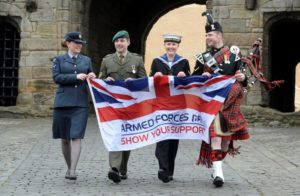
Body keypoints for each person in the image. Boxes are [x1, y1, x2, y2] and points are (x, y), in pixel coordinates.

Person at [192, 12, 250, 187]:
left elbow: (243, 77)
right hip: (212, 103)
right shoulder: (203, 57)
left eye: (209, 35)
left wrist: (242, 78)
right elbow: (193, 79)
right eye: (206, 35)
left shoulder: (234, 53)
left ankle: (217, 166)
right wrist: (201, 75)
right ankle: (218, 174)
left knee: (225, 141)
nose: (207, 38)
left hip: (229, 103)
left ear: (219, 35)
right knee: (216, 137)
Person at [99, 30, 147, 183]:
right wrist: (105, 79)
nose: (120, 44)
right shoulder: (107, 60)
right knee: (114, 135)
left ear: (128, 42)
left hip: (130, 106)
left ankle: (122, 169)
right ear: (114, 44)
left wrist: (133, 83)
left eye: (122, 41)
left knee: (126, 137)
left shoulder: (137, 60)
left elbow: (144, 82)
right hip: (112, 105)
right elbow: (99, 82)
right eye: (117, 41)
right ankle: (114, 168)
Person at [52, 31, 96, 180]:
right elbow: (56, 78)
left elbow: (90, 76)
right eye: (76, 43)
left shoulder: (86, 60)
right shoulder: (59, 60)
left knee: (76, 137)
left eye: (81, 44)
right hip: (63, 103)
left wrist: (92, 76)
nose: (79, 46)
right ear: (68, 43)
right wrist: (75, 77)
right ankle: (68, 165)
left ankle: (72, 170)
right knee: (65, 139)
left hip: (80, 104)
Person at [149, 34, 190, 183]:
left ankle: (170, 171)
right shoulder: (157, 61)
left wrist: (184, 75)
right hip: (161, 104)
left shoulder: (183, 62)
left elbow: (189, 82)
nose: (170, 47)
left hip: (177, 105)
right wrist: (155, 75)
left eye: (173, 44)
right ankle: (162, 168)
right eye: (168, 44)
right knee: (162, 135)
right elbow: (150, 79)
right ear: (164, 45)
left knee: (173, 138)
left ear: (177, 46)